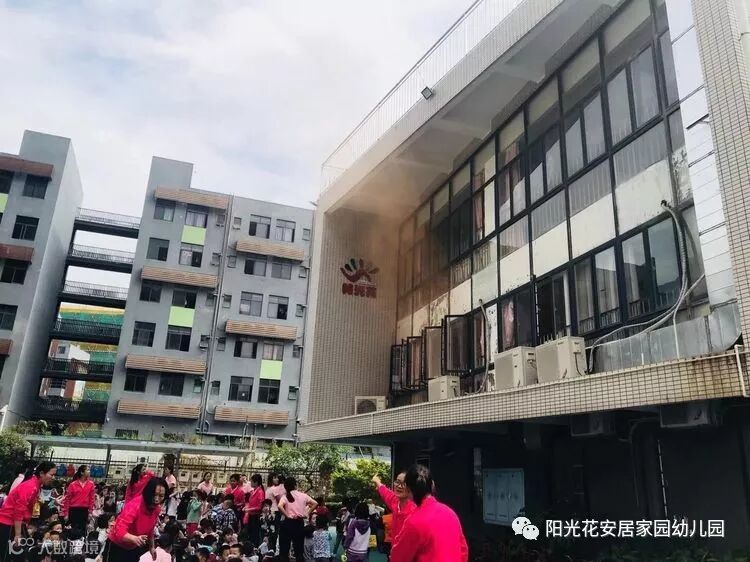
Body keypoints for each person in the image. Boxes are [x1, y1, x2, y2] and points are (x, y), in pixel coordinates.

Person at [390, 465, 468, 562]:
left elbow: (398, 558)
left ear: (408, 490)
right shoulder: (450, 513)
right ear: (432, 486)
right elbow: (463, 550)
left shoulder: (413, 521)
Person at [0, 461, 57, 562]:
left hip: (15, 524)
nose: (53, 477)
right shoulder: (30, 486)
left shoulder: (35, 485)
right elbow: (18, 511)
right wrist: (18, 535)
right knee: (7, 556)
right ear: (41, 473)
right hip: (8, 523)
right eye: (51, 474)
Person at [109, 477, 168, 562]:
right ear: (148, 492)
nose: (157, 499)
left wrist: (152, 547)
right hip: (117, 546)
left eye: (161, 496)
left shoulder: (156, 509)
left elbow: (151, 529)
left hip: (133, 547)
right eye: (154, 494)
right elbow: (119, 530)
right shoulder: (135, 505)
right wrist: (134, 538)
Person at [276, 477, 317, 562]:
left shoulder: (285, 496)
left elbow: (279, 506)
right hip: (299, 523)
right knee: (299, 551)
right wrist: (307, 513)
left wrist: (287, 515)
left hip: (287, 523)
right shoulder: (303, 495)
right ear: (295, 485)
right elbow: (315, 503)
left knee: (284, 550)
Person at [372, 473, 415, 548]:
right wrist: (377, 481)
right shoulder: (395, 501)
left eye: (404, 484)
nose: (399, 486)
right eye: (397, 482)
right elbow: (385, 492)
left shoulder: (416, 511)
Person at [65, 465, 96, 532]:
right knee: (72, 530)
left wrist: (90, 512)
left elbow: (92, 499)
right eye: (87, 470)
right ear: (82, 472)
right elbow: (67, 499)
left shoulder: (91, 484)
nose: (89, 471)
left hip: (84, 510)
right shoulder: (72, 484)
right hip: (73, 510)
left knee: (82, 530)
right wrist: (66, 513)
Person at [242, 474, 265, 547]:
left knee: (255, 534)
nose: (250, 483)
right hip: (251, 515)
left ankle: (254, 547)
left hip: (256, 516)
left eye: (251, 481)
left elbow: (259, 506)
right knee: (251, 533)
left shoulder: (260, 492)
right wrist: (246, 507)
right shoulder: (253, 491)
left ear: (256, 482)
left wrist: (248, 509)